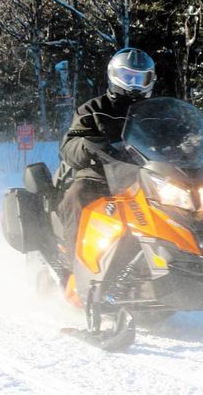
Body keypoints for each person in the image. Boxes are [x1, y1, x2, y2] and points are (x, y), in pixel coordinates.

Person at [55, 47, 156, 267]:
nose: (134, 84)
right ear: (114, 75)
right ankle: (74, 265)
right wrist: (87, 144)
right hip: (100, 176)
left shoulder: (156, 113)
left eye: (141, 78)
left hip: (146, 177)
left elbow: (175, 135)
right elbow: (69, 144)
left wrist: (192, 144)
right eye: (128, 77)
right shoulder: (92, 110)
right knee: (77, 196)